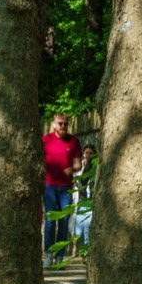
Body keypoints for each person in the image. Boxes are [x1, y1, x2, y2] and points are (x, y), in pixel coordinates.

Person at [43, 114, 82, 267]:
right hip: (49, 186)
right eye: (60, 124)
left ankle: (60, 257)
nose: (63, 127)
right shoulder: (46, 140)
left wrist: (72, 169)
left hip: (66, 188)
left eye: (66, 124)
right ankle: (48, 255)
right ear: (54, 125)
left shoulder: (74, 141)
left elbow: (78, 164)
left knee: (64, 222)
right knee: (50, 221)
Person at [73, 144, 97, 254]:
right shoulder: (79, 166)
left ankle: (86, 253)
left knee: (87, 226)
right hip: (81, 199)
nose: (88, 155)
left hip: (90, 199)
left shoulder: (96, 166)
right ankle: (80, 250)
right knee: (78, 229)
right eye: (86, 153)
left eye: (90, 153)